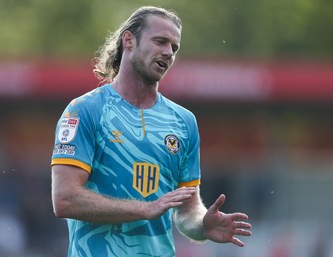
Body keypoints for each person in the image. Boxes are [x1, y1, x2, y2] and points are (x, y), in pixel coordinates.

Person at [51, 5, 252, 257]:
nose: (168, 52)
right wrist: (144, 209)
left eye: (174, 48)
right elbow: (65, 199)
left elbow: (187, 212)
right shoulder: (85, 110)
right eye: (160, 41)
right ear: (129, 40)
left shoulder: (183, 121)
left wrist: (202, 225)